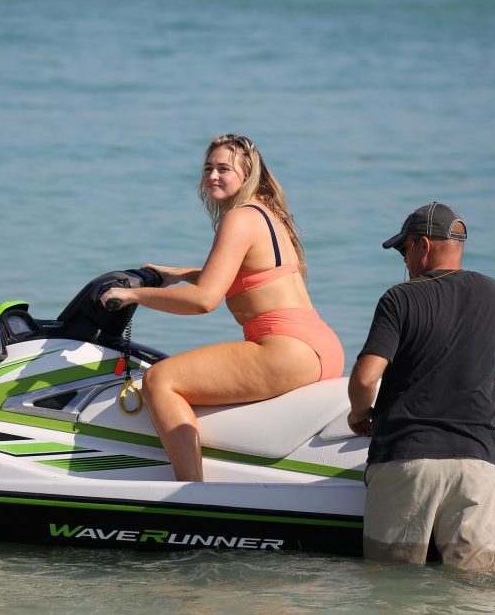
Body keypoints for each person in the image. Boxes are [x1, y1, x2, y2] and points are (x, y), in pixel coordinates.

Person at [100, 134, 344, 482]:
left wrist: (133, 296)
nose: (213, 175)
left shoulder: (239, 218)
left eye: (224, 169)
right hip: (322, 346)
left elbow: (204, 301)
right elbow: (251, 275)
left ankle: (190, 491)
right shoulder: (271, 214)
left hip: (285, 349)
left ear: (246, 175)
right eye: (208, 168)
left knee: (160, 379)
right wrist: (181, 274)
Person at [346, 201, 495, 572]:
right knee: (474, 593)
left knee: (393, 588)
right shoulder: (493, 292)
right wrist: (466, 380)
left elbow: (366, 378)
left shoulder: (400, 298)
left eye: (404, 249)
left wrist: (360, 413)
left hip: (407, 462)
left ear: (423, 246)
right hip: (476, 463)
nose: (404, 260)